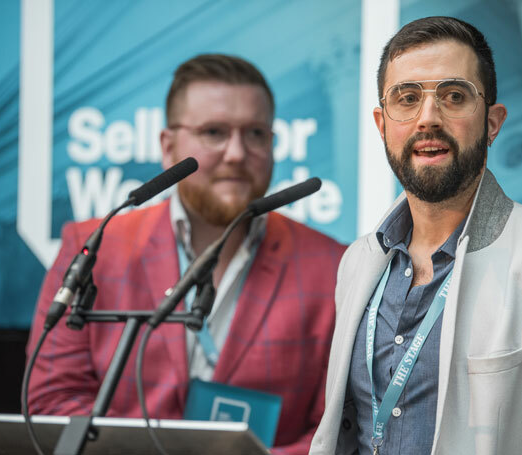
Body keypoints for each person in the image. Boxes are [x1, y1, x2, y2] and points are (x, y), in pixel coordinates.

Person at [310, 17, 522, 455]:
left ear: (492, 123)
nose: (427, 118)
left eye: (454, 97)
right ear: (382, 124)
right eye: (407, 98)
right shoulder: (357, 263)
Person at [26, 54, 345, 454]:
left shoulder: (334, 266)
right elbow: (52, 401)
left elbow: (334, 430)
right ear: (167, 145)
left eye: (255, 134)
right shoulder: (93, 246)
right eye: (214, 132)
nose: (236, 153)